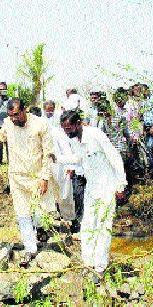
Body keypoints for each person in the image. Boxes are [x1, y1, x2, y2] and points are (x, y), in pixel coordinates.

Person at [0, 98, 56, 267]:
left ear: (24, 110)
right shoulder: (7, 124)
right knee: (23, 213)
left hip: (37, 177)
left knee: (40, 214)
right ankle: (30, 248)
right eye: (11, 115)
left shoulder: (41, 125)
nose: (13, 119)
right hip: (17, 177)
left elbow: (49, 153)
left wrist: (45, 177)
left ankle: (40, 232)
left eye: (15, 115)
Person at [59, 110, 127, 282]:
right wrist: (58, 158)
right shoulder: (75, 140)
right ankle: (87, 264)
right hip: (91, 189)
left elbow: (115, 157)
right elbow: (79, 159)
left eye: (68, 128)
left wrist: (121, 185)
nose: (67, 132)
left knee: (103, 228)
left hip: (106, 188)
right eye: (64, 129)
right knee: (87, 226)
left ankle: (100, 267)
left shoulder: (96, 135)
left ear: (78, 123)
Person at [42, 100, 75, 221]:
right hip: (44, 166)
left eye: (51, 109)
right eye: (47, 109)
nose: (49, 111)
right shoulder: (39, 126)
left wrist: (70, 166)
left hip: (59, 165)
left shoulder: (57, 130)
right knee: (47, 193)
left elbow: (66, 148)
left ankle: (69, 219)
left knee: (64, 192)